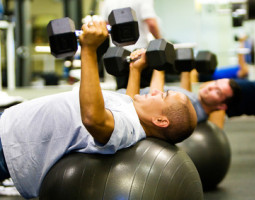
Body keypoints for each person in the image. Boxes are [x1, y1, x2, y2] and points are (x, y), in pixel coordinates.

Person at [0, 20, 197, 199]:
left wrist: (89, 50)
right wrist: (135, 70)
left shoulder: (126, 129)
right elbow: (126, 102)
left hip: (7, 143)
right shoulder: (131, 118)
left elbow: (93, 119)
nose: (155, 92)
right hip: (8, 125)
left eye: (162, 96)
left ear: (160, 121)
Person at [99, 0, 162, 89]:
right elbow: (151, 23)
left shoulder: (108, 1)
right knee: (144, 92)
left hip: (116, 54)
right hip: (139, 53)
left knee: (123, 93)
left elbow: (104, 26)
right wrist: (160, 42)